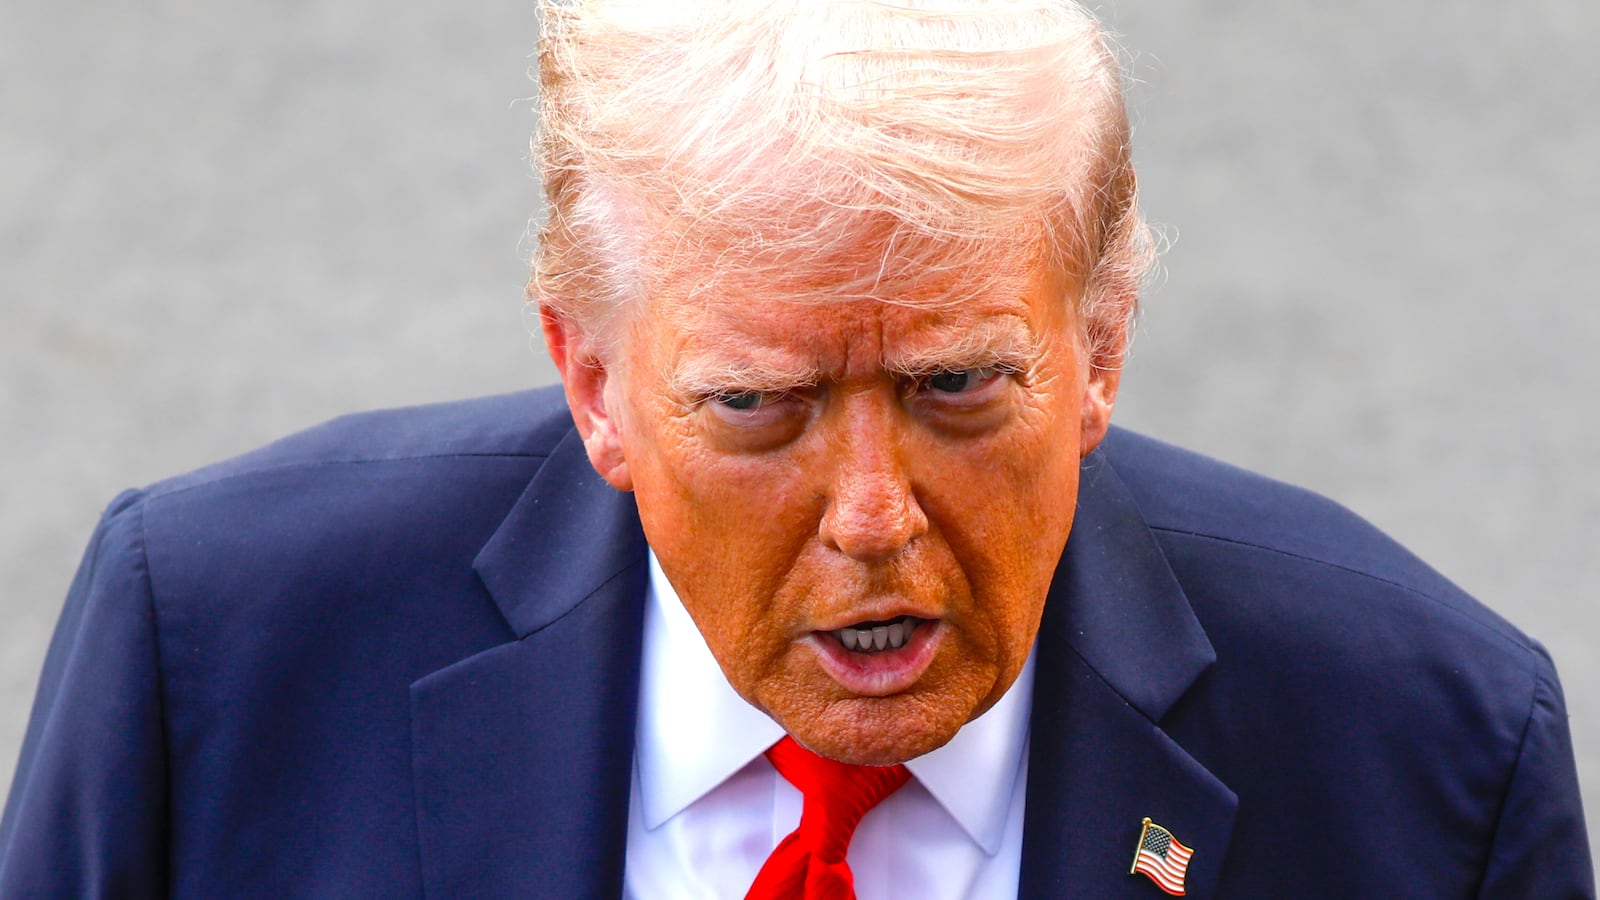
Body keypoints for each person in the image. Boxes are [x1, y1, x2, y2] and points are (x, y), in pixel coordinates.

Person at [0, 0, 1591, 896]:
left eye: (959, 386)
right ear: (596, 382)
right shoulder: (208, 657)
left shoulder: (1431, 756)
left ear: (1097, 352)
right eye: (757, 407)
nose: (874, 517)